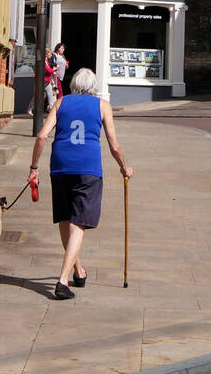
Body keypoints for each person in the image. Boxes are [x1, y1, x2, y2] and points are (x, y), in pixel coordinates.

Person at [29, 67, 133, 300]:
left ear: (73, 84)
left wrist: (34, 168)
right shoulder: (102, 106)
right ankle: (62, 280)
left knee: (66, 218)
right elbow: (114, 145)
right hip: (88, 168)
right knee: (79, 223)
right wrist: (123, 166)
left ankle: (78, 270)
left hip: (60, 166)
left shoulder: (61, 102)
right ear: (94, 86)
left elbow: (42, 136)